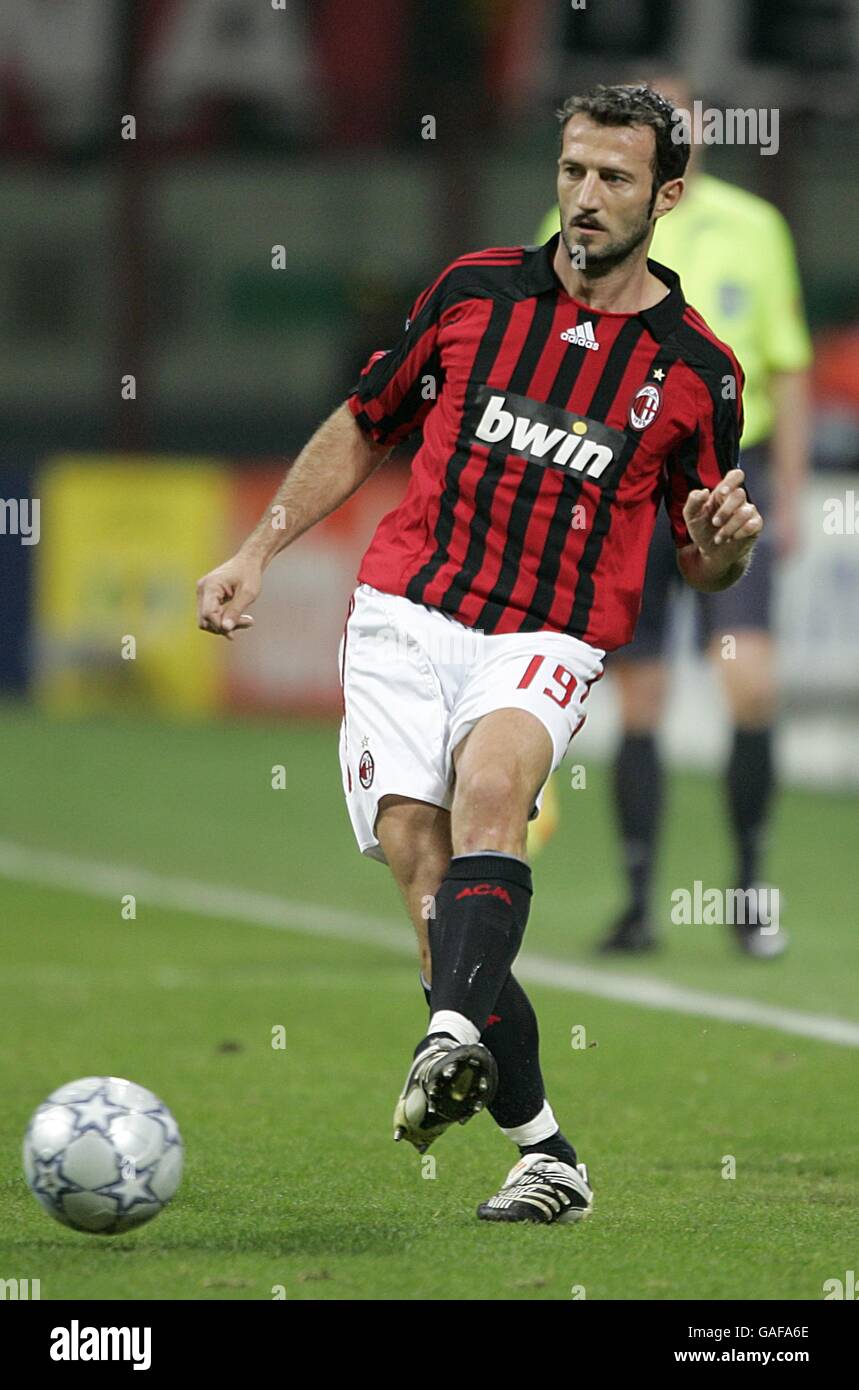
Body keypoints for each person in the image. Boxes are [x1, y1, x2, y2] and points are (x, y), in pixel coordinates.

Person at [197, 85, 761, 1225]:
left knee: (492, 792)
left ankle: (446, 1033)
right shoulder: (471, 292)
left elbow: (706, 558)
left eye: (612, 178)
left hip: (547, 629)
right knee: (424, 870)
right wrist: (259, 549)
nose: (586, 197)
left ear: (666, 196)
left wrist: (718, 554)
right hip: (408, 608)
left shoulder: (699, 371)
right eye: (571, 171)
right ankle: (546, 1151)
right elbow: (367, 419)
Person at [535, 77, 812, 958]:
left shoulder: (750, 229)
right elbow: (538, 371)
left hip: (729, 477)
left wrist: (792, 491)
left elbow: (788, 363)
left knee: (749, 681)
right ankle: (635, 901)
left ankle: (746, 889)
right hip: (622, 480)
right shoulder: (573, 227)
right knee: (641, 697)